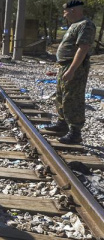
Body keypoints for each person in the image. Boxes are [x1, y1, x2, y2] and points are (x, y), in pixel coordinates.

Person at [44, 0, 96, 144]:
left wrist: (72, 69)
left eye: (65, 12)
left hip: (75, 67)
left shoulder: (86, 25)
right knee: (61, 96)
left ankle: (75, 132)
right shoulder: (75, 25)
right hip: (65, 66)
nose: (64, 15)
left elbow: (83, 48)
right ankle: (62, 124)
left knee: (72, 98)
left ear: (73, 10)